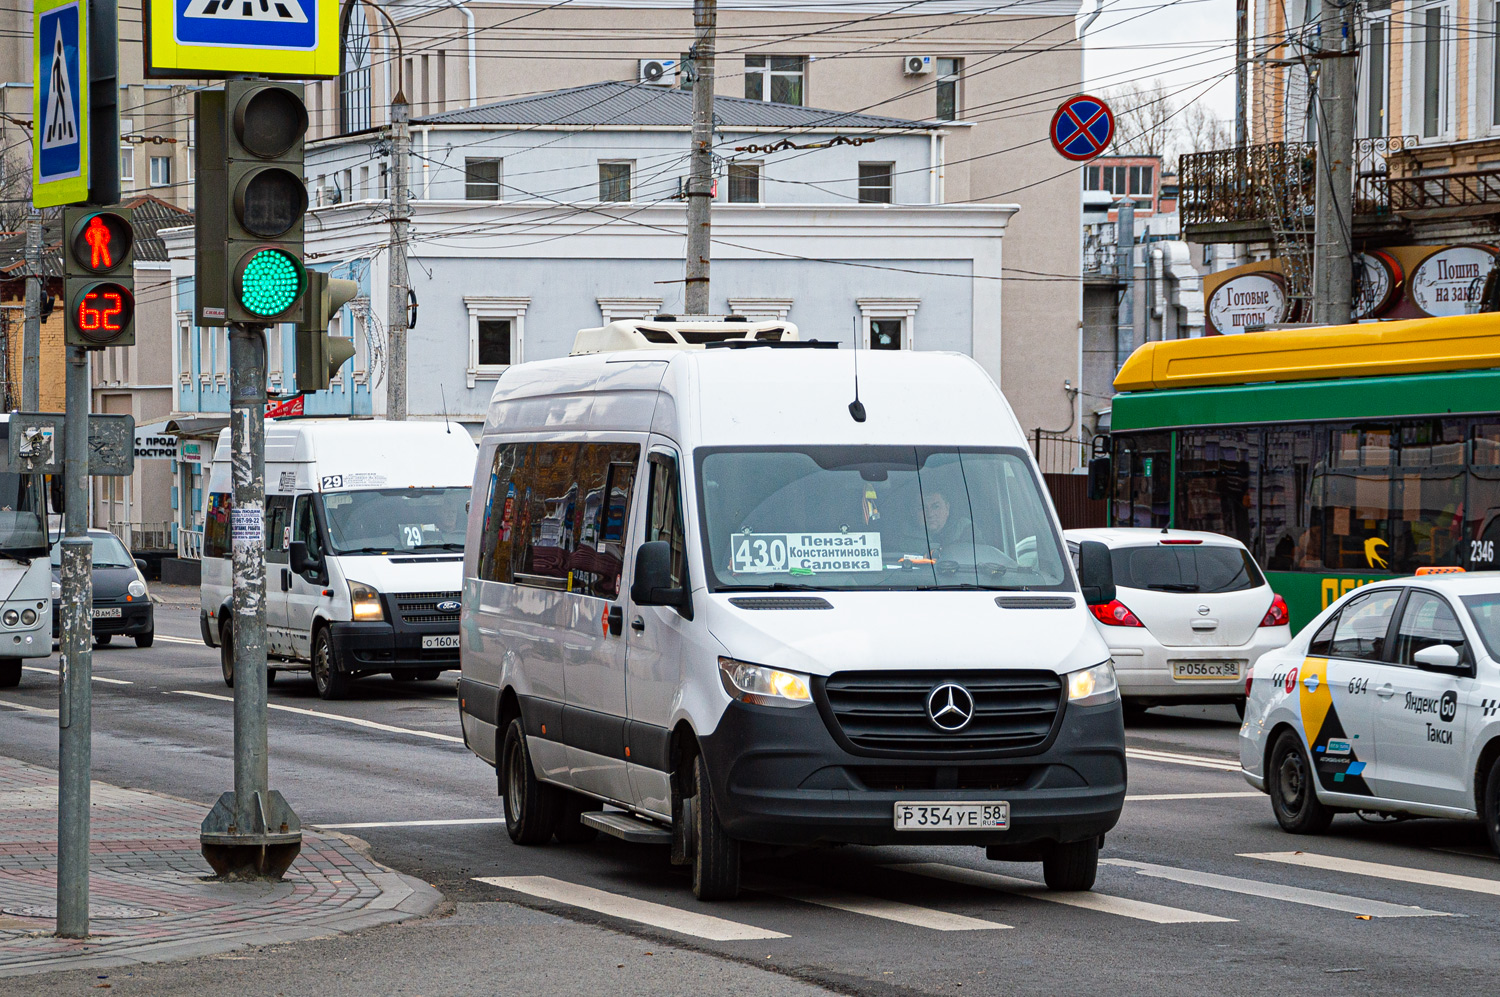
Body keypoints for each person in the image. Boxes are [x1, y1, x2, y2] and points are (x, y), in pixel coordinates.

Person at [922, 486, 973, 556]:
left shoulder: (966, 530)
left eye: (936, 507)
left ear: (947, 508)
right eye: (923, 508)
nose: (930, 514)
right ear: (913, 512)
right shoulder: (903, 538)